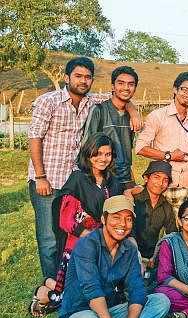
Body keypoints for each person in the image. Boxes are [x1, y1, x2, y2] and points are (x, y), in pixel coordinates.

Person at [28, 57, 140, 281]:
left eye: (87, 77)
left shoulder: (90, 100)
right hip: (48, 179)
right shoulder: (48, 101)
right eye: (78, 76)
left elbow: (120, 95)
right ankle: (51, 284)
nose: (83, 81)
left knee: (70, 231)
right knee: (50, 236)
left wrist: (133, 110)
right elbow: (34, 138)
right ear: (66, 77)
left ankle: (68, 278)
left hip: (75, 179)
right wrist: (40, 176)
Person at [54, 196, 170, 318]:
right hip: (80, 316)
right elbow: (92, 290)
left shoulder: (129, 248)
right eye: (116, 217)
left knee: (161, 301)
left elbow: (137, 290)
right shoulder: (86, 245)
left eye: (128, 219)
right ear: (103, 218)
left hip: (110, 311)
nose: (122, 224)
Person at [29, 133, 123, 317]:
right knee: (76, 299)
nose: (103, 159)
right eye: (98, 154)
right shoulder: (78, 179)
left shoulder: (113, 182)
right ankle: (46, 293)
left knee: (105, 295)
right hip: (80, 244)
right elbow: (66, 220)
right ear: (88, 155)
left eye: (108, 154)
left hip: (106, 244)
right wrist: (94, 237)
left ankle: (52, 283)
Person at [135, 72, 188, 188]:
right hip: (163, 183)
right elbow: (140, 148)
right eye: (185, 90)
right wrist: (169, 156)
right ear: (175, 89)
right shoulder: (157, 116)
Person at [83, 66, 139, 189]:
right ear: (113, 86)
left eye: (131, 84)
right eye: (121, 83)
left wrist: (131, 180)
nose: (125, 88)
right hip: (104, 179)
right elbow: (87, 148)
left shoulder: (131, 116)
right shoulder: (99, 110)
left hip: (125, 179)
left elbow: (127, 150)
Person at [131, 161, 178, 269]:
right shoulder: (134, 200)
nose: (160, 183)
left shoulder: (166, 206)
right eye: (156, 177)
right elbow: (128, 231)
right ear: (146, 178)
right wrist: (135, 255)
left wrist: (159, 254)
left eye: (165, 180)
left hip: (154, 256)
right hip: (131, 253)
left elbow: (172, 234)